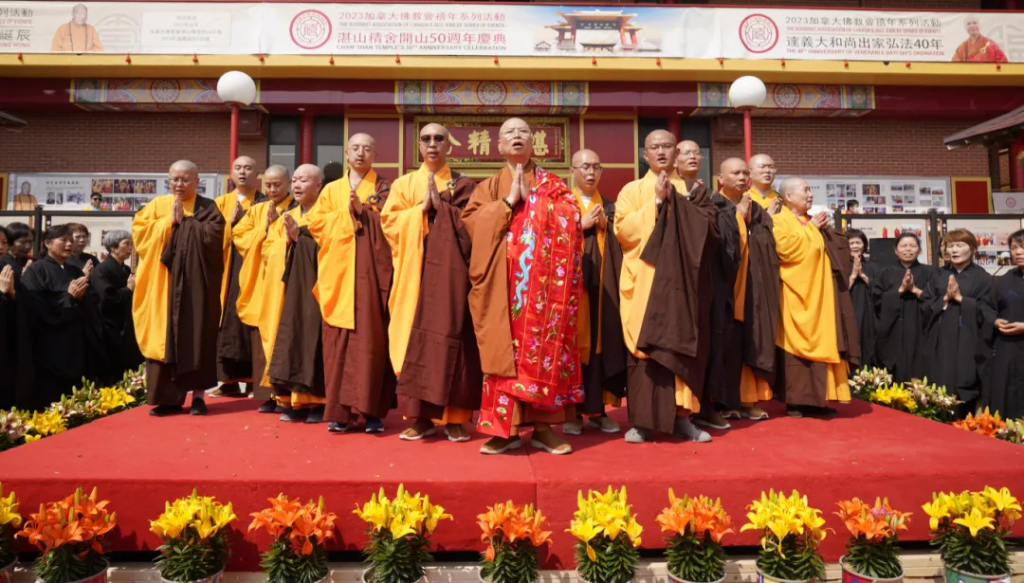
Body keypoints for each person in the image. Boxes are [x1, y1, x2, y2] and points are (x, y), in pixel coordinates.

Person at [463, 117, 584, 455]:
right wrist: (507, 203)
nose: (516, 137)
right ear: (499, 146)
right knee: (504, 355)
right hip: (501, 289)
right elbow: (471, 224)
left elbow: (571, 216)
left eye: (523, 132)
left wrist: (536, 203)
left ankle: (545, 429)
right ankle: (506, 430)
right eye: (508, 134)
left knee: (542, 354)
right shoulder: (487, 187)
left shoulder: (553, 184)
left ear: (535, 142)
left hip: (545, 293)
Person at [614, 130, 718, 444]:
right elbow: (623, 232)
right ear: (644, 155)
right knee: (647, 349)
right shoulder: (631, 191)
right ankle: (643, 422)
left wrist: (680, 204)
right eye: (654, 147)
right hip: (645, 281)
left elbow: (709, 233)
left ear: (677, 152)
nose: (660, 151)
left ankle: (684, 417)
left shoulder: (694, 191)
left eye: (667, 146)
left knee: (680, 345)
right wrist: (657, 202)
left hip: (681, 287)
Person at [381, 123, 482, 442]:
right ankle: (420, 418)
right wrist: (420, 212)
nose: (433, 144)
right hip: (415, 273)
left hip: (452, 277)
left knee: (455, 339)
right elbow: (389, 223)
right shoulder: (403, 184)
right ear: (418, 146)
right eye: (426, 139)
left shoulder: (464, 184)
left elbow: (473, 226)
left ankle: (455, 418)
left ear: (449, 146)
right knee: (416, 340)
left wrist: (445, 210)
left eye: (439, 139)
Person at [309, 134, 395, 433]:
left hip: (370, 276)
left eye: (367, 148)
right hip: (338, 273)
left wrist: (365, 213)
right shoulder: (331, 190)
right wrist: (348, 213)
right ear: (346, 152)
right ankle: (340, 413)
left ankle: (371, 412)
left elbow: (391, 224)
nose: (361, 153)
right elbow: (316, 224)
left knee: (371, 342)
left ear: (375, 154)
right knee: (337, 344)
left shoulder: (384, 188)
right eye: (356, 148)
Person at [132, 160, 225, 417]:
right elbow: (140, 235)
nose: (179, 184)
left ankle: (197, 398)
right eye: (174, 179)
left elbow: (215, 239)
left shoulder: (208, 207)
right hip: (164, 284)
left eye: (185, 180)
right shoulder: (157, 206)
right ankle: (168, 399)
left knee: (196, 337)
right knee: (165, 337)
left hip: (196, 286)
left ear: (197, 182)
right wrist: (167, 224)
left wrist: (185, 223)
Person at [770, 177, 857, 418]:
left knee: (826, 343)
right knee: (794, 352)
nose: (810, 194)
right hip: (795, 295)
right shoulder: (779, 221)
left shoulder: (811, 221)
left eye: (810, 190)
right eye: (805, 190)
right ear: (788, 196)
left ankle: (818, 401)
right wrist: (812, 230)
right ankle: (796, 402)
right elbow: (784, 251)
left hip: (820, 294)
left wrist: (824, 232)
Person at [703, 158, 777, 429]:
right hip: (723, 286)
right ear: (720, 178)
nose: (742, 177)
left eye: (745, 172)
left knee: (750, 341)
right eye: (735, 172)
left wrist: (751, 220)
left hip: (751, 285)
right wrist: (736, 218)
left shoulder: (756, 208)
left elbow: (768, 243)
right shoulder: (711, 203)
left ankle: (748, 400)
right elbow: (712, 241)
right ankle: (721, 402)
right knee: (723, 345)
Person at [562, 148, 625, 435]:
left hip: (603, 289)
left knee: (602, 345)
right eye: (584, 167)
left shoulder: (611, 207)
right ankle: (572, 413)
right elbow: (549, 238)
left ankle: (598, 411)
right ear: (572, 172)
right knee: (573, 349)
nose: (590, 172)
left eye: (596, 167)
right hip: (572, 293)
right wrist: (579, 224)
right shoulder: (562, 205)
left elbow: (626, 241)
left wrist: (605, 226)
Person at [264, 164, 327, 423]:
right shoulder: (286, 215)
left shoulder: (326, 215)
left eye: (304, 180)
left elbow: (335, 247)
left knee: (314, 341)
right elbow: (268, 251)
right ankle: (292, 401)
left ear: (319, 185)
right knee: (289, 338)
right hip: (288, 290)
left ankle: (318, 403)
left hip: (317, 289)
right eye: (295, 180)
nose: (297, 185)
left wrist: (303, 238)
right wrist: (288, 241)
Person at [18, 225, 106, 410]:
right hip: (49, 343)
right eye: (64, 240)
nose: (69, 244)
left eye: (70, 241)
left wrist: (81, 298)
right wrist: (69, 297)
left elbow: (91, 302)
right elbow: (34, 304)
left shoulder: (74, 271)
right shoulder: (36, 270)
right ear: (48, 244)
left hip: (74, 342)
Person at [232, 165, 295, 414]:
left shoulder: (295, 209)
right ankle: (270, 393)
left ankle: (288, 395)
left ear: (288, 182)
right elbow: (239, 236)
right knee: (262, 343)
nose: (271, 189)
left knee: (284, 338)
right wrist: (264, 229)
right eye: (267, 185)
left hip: (285, 284)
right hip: (262, 284)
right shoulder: (257, 210)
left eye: (277, 184)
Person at [921, 229, 995, 418]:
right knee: (940, 379)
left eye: (959, 245)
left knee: (966, 377)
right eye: (950, 246)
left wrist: (962, 299)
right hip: (942, 335)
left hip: (969, 338)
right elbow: (926, 304)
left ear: (972, 249)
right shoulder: (938, 275)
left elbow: (988, 311)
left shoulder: (983, 278)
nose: (954, 250)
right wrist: (945, 298)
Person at [211, 156, 266, 398]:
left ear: (257, 174)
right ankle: (229, 381)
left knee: (253, 323)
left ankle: (256, 381)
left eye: (248, 168)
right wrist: (228, 225)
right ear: (230, 173)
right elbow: (208, 236)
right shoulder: (219, 203)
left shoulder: (266, 202)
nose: (242, 172)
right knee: (228, 322)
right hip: (227, 271)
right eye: (238, 168)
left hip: (255, 269)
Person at [872, 233, 935, 383]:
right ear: (895, 250)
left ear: (919, 250)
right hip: (893, 329)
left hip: (921, 328)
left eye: (912, 246)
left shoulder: (931, 272)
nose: (908, 249)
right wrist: (899, 291)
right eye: (903, 246)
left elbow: (937, 300)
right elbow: (876, 300)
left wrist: (915, 290)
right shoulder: (885, 272)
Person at [91, 230, 143, 384]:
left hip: (126, 326)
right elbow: (107, 297)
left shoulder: (125, 269)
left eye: (131, 244)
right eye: (126, 244)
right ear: (113, 248)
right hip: (110, 327)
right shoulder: (102, 270)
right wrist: (128, 290)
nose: (130, 248)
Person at [984, 229, 1024, 419]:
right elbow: (986, 305)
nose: (1018, 252)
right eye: (1014, 248)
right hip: (1008, 349)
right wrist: (994, 320)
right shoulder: (1006, 278)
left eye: (1022, 247)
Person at [846, 229, 878, 368]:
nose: (855, 246)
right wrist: (853, 276)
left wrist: (864, 277)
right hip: (849, 314)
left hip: (870, 316)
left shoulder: (873, 267)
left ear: (864, 245)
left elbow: (881, 292)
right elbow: (836, 292)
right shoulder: (840, 266)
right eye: (851, 242)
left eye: (858, 242)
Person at [0, 222, 33, 288]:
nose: (27, 246)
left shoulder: (34, 262)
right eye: (22, 242)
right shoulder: (3, 263)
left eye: (30, 242)